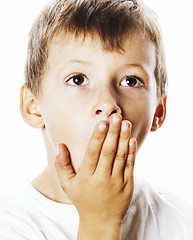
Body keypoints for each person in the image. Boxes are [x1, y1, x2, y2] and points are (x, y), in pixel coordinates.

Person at [0, 0, 192, 239]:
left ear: (158, 112)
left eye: (130, 81)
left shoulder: (180, 222)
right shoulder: (10, 227)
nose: (107, 103)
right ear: (33, 107)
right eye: (78, 79)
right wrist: (99, 222)